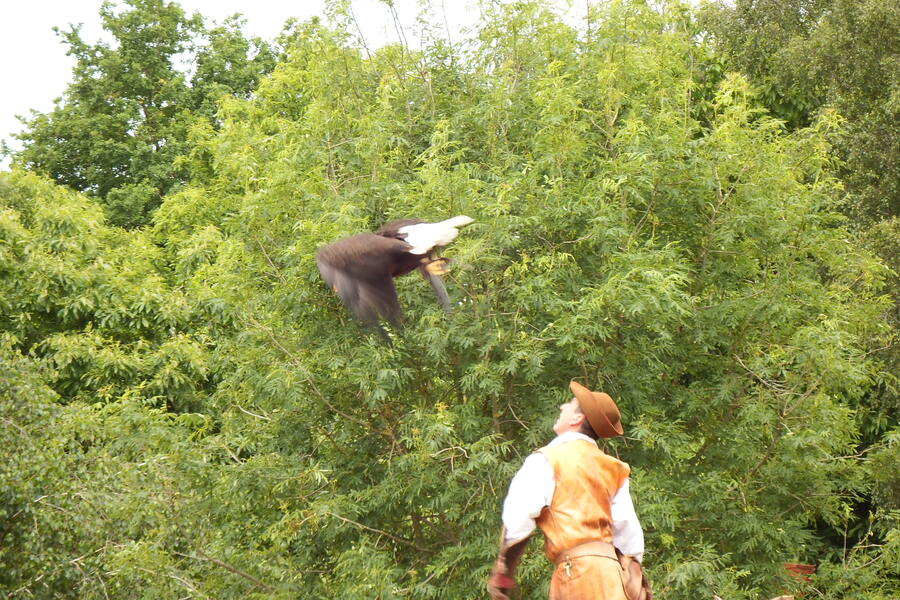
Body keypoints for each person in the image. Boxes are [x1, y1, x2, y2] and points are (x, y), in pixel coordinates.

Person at [487, 380, 647, 600]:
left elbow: (520, 516)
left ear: (577, 418)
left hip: (577, 575)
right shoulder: (614, 468)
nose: (562, 407)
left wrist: (503, 572)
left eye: (570, 405)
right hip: (614, 578)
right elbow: (629, 536)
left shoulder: (547, 458)